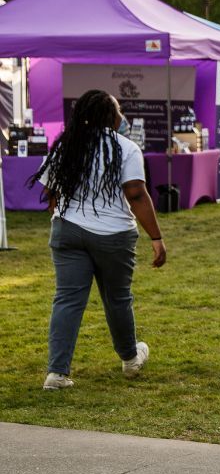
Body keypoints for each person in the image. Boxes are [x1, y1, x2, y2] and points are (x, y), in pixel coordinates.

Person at [32, 90, 166, 390]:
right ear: (111, 115)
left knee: (67, 299)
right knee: (117, 298)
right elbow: (135, 194)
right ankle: (131, 359)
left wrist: (66, 212)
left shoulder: (67, 145)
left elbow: (49, 191)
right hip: (113, 235)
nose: (122, 115)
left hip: (67, 230)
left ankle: (57, 372)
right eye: (119, 109)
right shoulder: (126, 148)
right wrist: (156, 237)